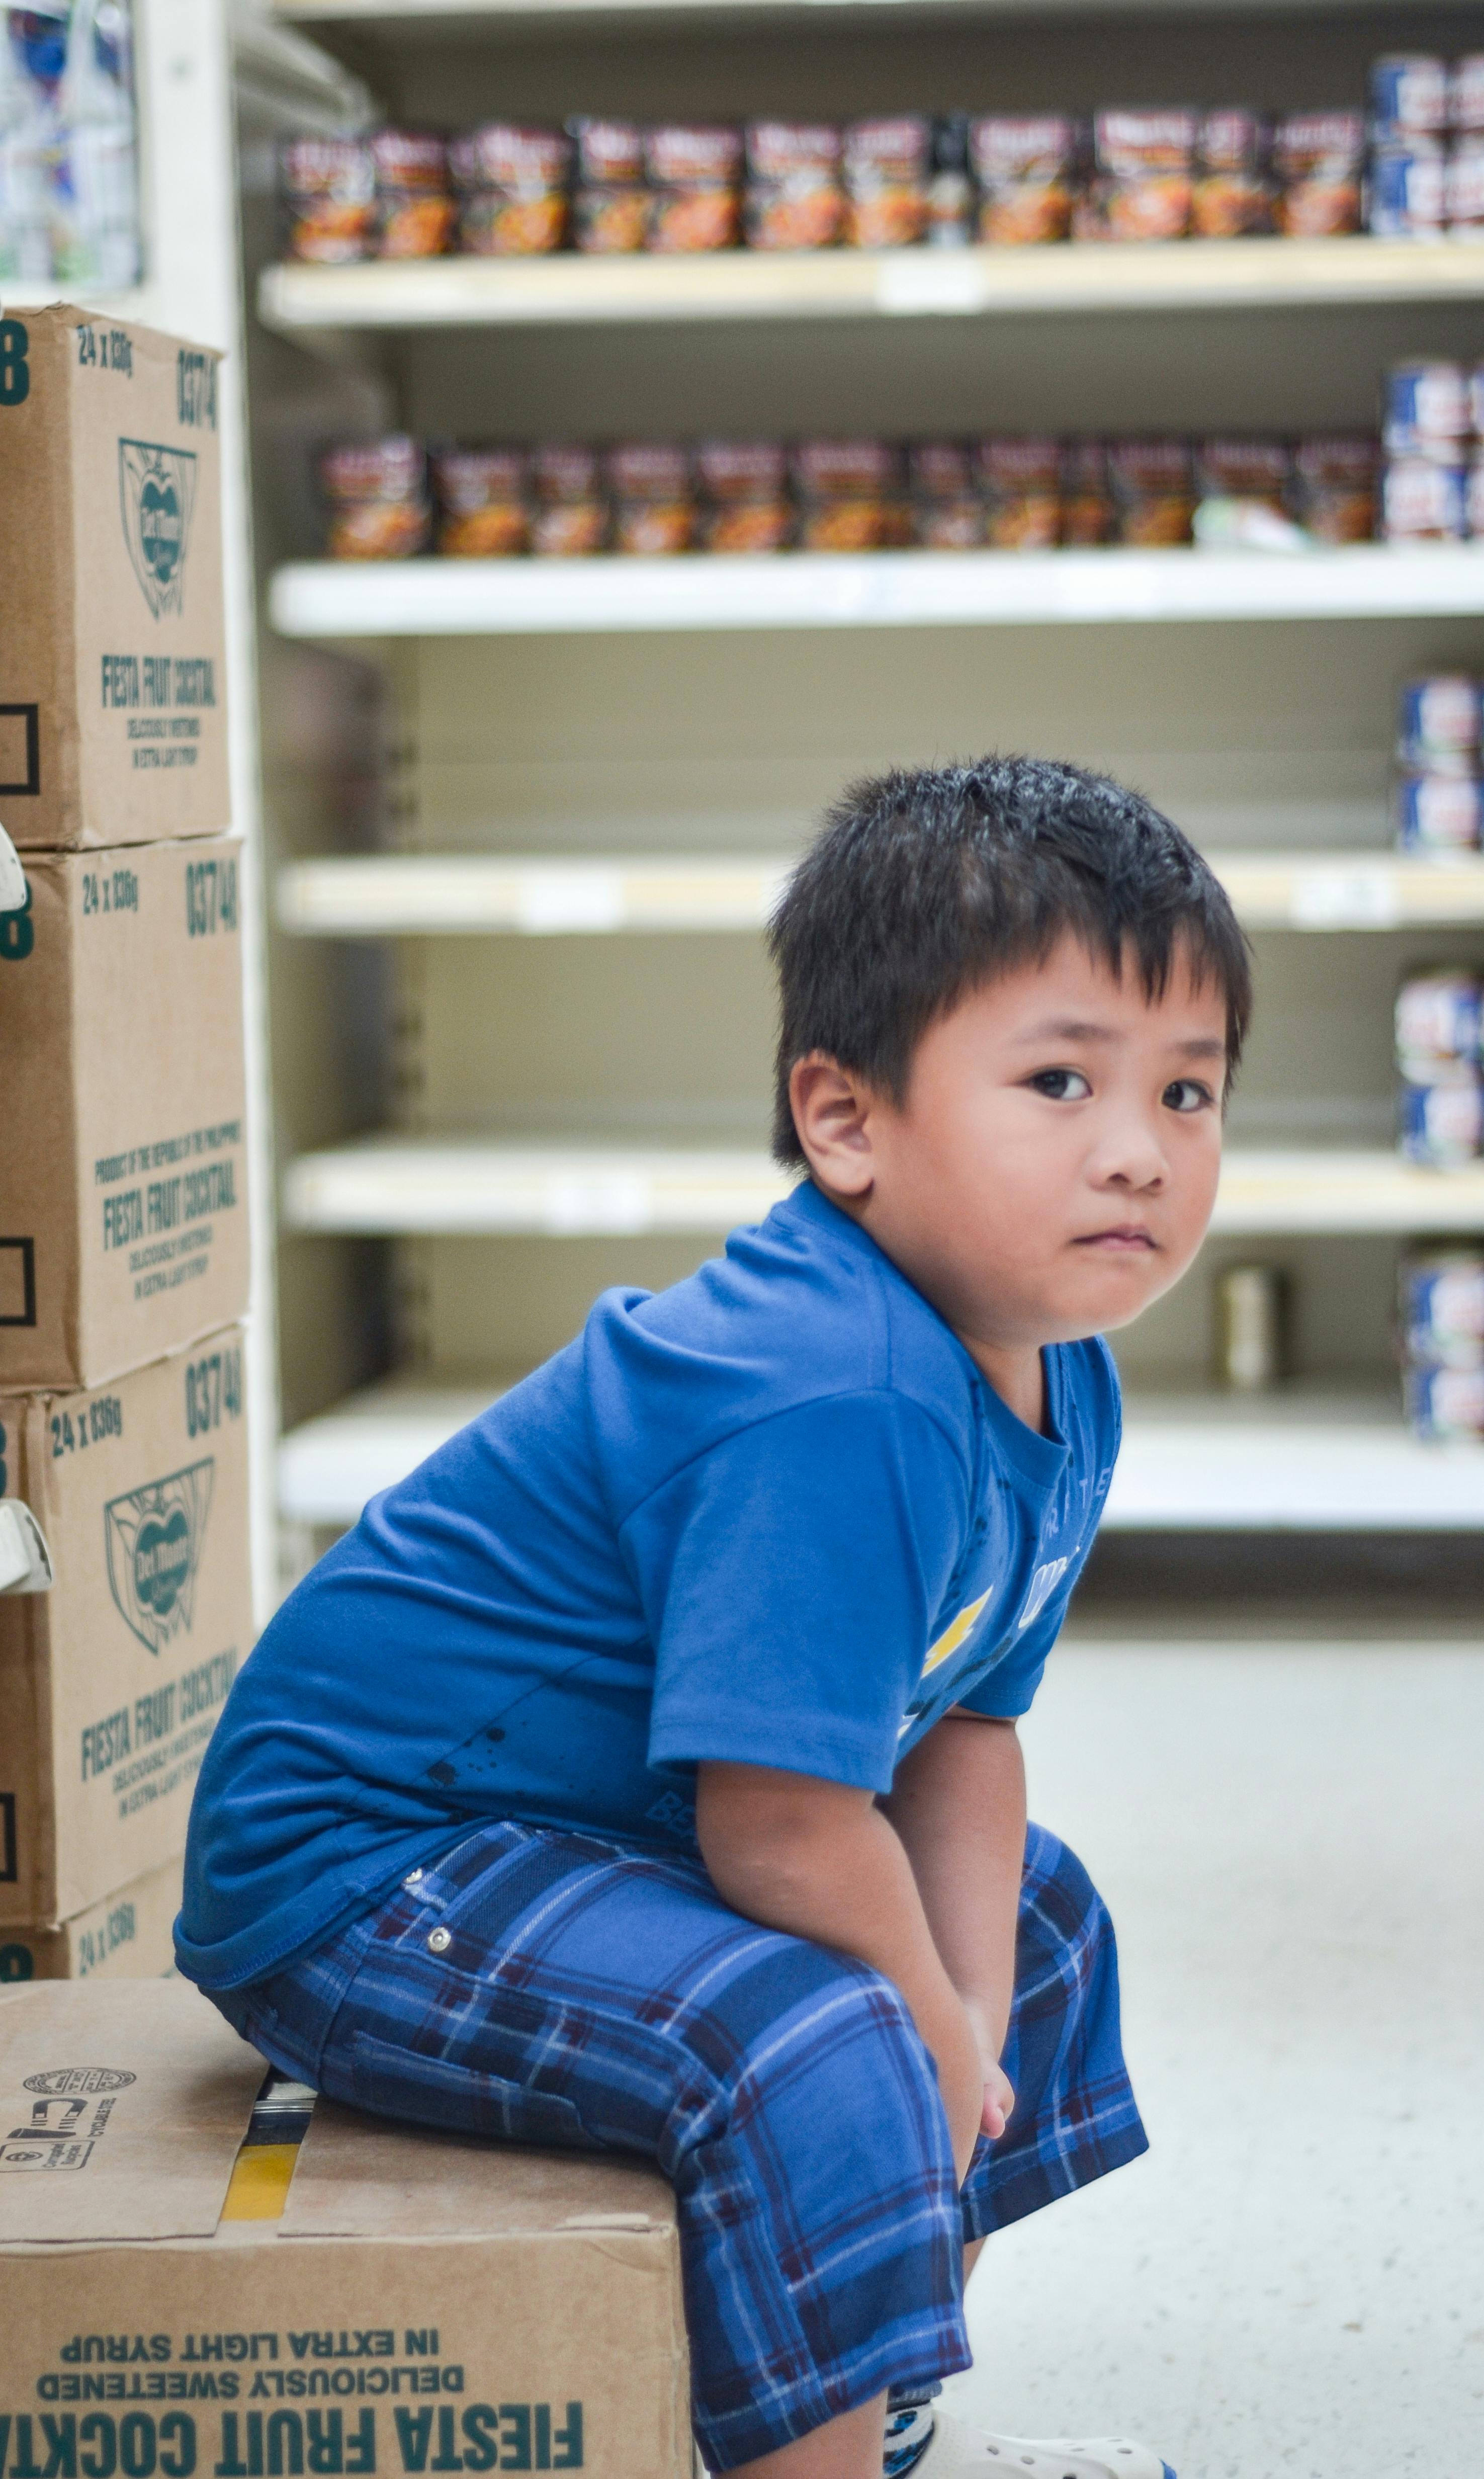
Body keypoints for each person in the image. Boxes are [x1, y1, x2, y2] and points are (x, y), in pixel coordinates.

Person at [177, 756, 1251, 2479]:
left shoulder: (1062, 1374)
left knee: (1034, 1926)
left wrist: (968, 2016)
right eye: (1060, 1080)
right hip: (372, 1869)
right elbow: (781, 1827)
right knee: (827, 2038)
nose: (1139, 1153)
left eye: (1188, 1092)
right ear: (846, 1122)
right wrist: (919, 2023)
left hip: (603, 1818)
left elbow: (967, 1727)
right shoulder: (834, 1390)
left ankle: (872, 2420)